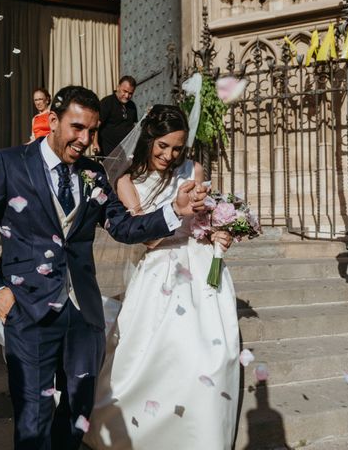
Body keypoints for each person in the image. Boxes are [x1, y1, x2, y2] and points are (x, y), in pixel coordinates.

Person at [0, 86, 209, 450]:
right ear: (53, 121)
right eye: (77, 128)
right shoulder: (10, 164)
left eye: (92, 131)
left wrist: (175, 211)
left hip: (83, 314)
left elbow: (122, 227)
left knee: (77, 413)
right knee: (34, 416)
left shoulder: (95, 173)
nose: (85, 140)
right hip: (28, 310)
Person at [84, 105, 240, 450]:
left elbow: (206, 216)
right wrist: (179, 215)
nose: (170, 155)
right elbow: (146, 237)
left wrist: (218, 232)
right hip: (160, 270)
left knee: (213, 356)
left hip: (200, 265)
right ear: (149, 139)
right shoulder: (127, 181)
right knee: (154, 354)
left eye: (177, 148)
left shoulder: (192, 169)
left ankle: (201, 436)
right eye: (163, 146)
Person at [95, 76, 137, 157]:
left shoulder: (132, 106)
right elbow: (96, 124)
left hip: (125, 152)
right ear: (118, 87)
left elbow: (134, 127)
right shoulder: (107, 102)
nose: (127, 95)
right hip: (107, 152)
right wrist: (95, 143)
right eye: (124, 91)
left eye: (130, 93)